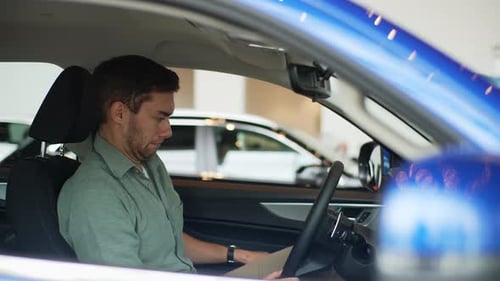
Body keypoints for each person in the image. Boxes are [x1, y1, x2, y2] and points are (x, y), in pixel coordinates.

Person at [57, 55, 294, 279]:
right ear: (120, 113)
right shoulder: (95, 195)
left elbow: (167, 241)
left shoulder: (148, 163)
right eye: (159, 118)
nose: (168, 131)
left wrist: (241, 256)